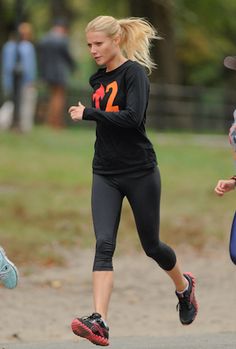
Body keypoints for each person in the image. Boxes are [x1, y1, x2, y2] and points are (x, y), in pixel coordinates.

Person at [68, 16, 198, 347]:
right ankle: (100, 321)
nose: (93, 50)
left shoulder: (134, 74)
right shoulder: (96, 79)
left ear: (116, 41)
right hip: (105, 172)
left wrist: (90, 114)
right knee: (104, 244)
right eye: (89, 45)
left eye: (98, 44)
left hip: (140, 171)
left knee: (152, 246)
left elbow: (132, 118)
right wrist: (93, 114)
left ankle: (184, 287)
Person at [38, 18, 75, 129]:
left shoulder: (45, 39)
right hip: (59, 73)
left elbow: (41, 57)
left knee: (51, 97)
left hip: (47, 73)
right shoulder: (62, 39)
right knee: (59, 98)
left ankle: (48, 121)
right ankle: (56, 122)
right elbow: (68, 57)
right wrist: (73, 67)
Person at [1, 22, 37, 132]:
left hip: (10, 81)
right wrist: (31, 81)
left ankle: (6, 123)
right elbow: (29, 67)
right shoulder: (27, 47)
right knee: (25, 105)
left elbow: (6, 66)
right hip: (25, 82)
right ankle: (24, 127)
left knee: (11, 103)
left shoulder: (8, 46)